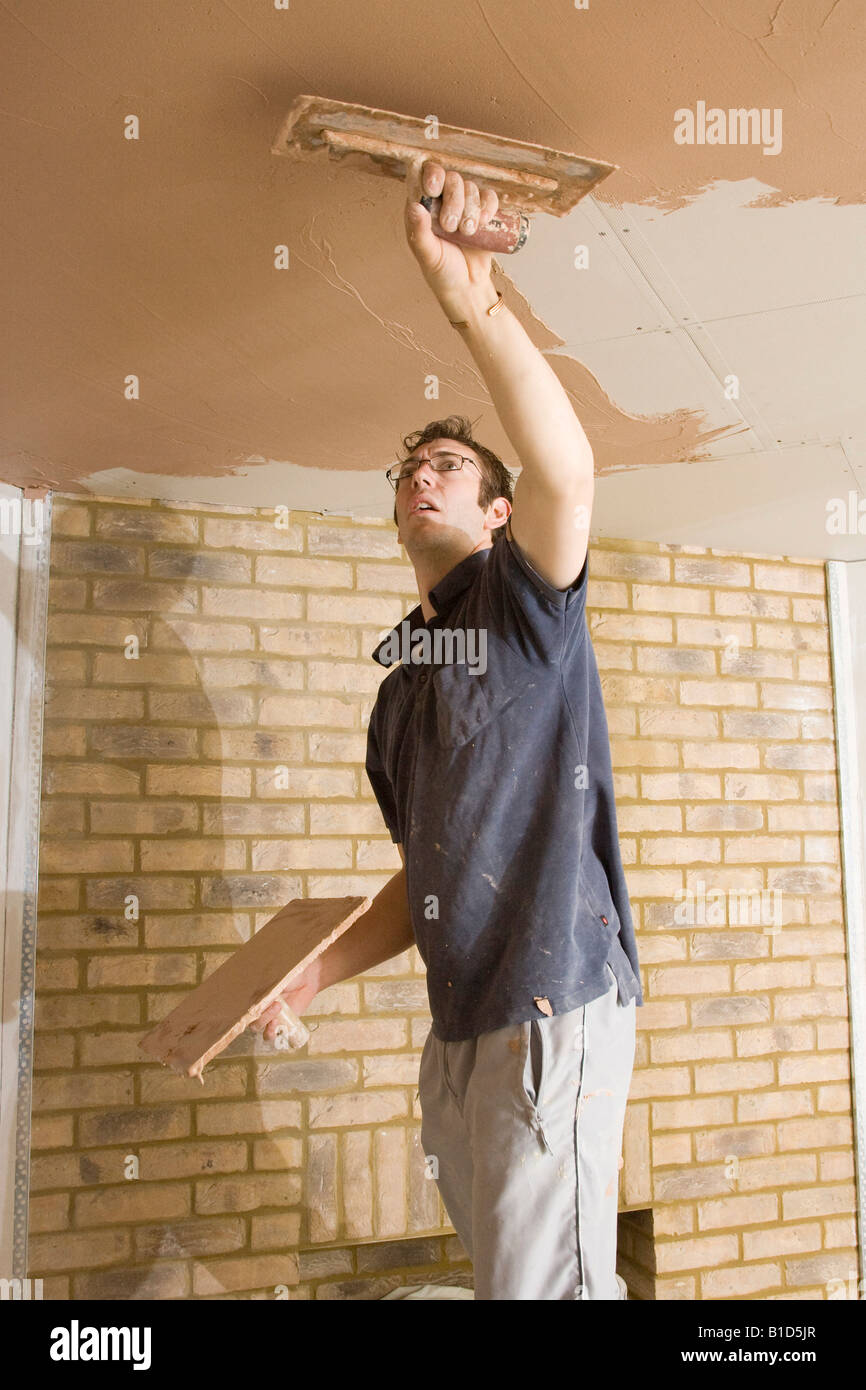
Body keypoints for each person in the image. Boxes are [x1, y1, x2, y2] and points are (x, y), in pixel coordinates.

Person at [253, 159, 643, 1300]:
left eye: (448, 466)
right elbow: (414, 877)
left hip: (547, 1000)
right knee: (507, 1282)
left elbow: (568, 467)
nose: (420, 478)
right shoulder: (401, 688)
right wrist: (310, 978)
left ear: (493, 510)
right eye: (410, 470)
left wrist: (469, 301)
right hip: (460, 1023)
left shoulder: (523, 606)